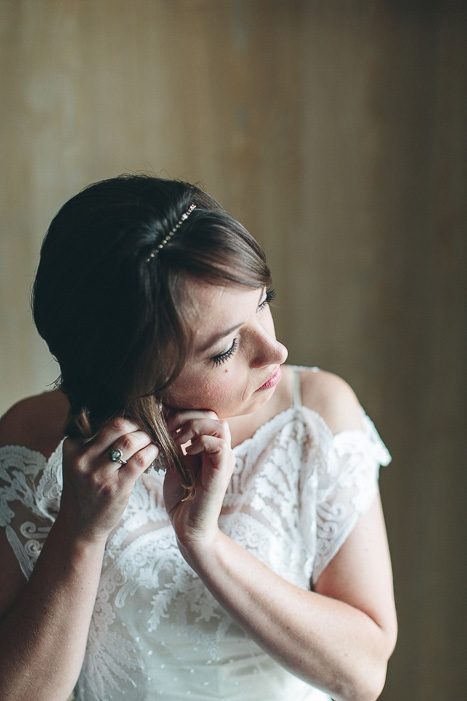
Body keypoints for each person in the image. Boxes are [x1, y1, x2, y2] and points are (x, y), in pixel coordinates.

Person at [0, 175, 397, 701]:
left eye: (263, 301)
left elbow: (363, 674)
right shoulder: (32, 444)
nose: (274, 350)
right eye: (226, 348)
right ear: (132, 375)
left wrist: (204, 543)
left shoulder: (316, 416)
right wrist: (80, 531)